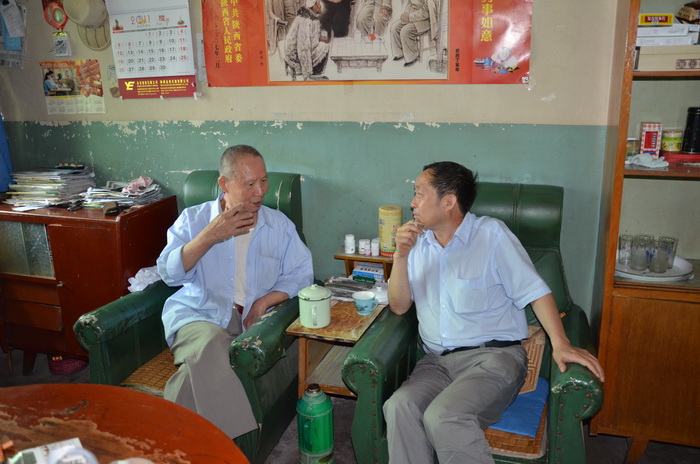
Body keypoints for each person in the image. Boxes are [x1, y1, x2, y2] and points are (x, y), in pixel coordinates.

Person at [383, 162, 605, 463]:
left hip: (493, 359)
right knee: (399, 406)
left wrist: (561, 343)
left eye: (420, 194)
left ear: (448, 202)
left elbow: (535, 291)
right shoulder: (417, 242)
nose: (412, 202)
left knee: (444, 417)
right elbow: (399, 306)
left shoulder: (491, 235)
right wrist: (400, 256)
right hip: (436, 363)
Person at [157, 145, 314, 439]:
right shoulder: (194, 219)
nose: (260, 192)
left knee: (188, 379)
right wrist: (208, 236)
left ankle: (168, 443)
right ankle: (239, 443)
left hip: (250, 321)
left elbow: (302, 274)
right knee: (213, 341)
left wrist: (264, 301)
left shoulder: (278, 225)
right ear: (224, 184)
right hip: (198, 314)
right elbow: (169, 273)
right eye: (250, 184)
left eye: (264, 181)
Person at [284, 0, 331, 80]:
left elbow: (311, 37)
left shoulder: (312, 18)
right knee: (324, 46)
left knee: (323, 44)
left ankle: (315, 73)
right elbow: (303, 47)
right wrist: (307, 74)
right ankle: (311, 74)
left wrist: (319, 38)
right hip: (295, 57)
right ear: (314, 5)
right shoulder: (305, 20)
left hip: (302, 51)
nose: (321, 6)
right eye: (318, 3)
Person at [389, 0, 439, 67]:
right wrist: (406, 13)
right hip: (413, 16)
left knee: (405, 31)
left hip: (425, 20)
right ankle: (399, 53)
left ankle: (412, 57)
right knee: (394, 27)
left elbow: (426, 12)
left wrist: (409, 17)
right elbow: (410, 3)